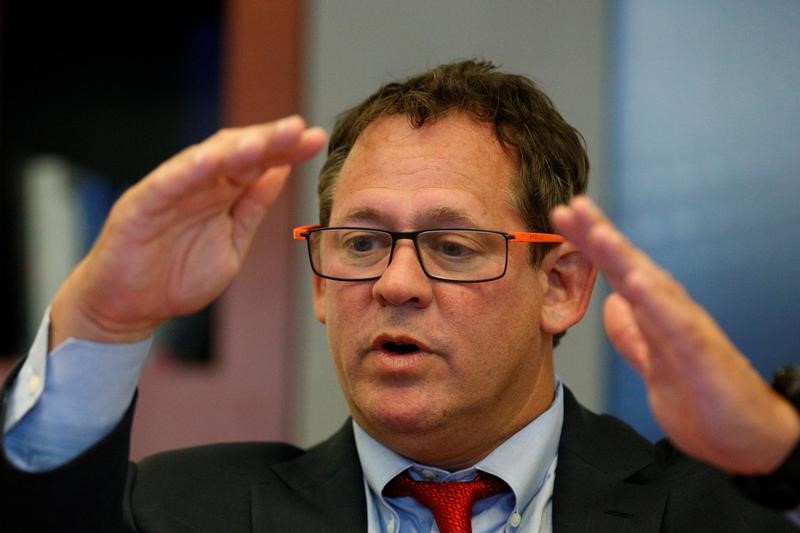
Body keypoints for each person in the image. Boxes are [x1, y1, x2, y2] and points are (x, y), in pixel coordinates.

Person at [1, 60, 798, 532]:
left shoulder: (718, 510)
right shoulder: (182, 508)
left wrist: (777, 447)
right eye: (360, 242)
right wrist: (106, 320)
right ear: (319, 283)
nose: (395, 283)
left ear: (559, 286)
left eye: (452, 246)